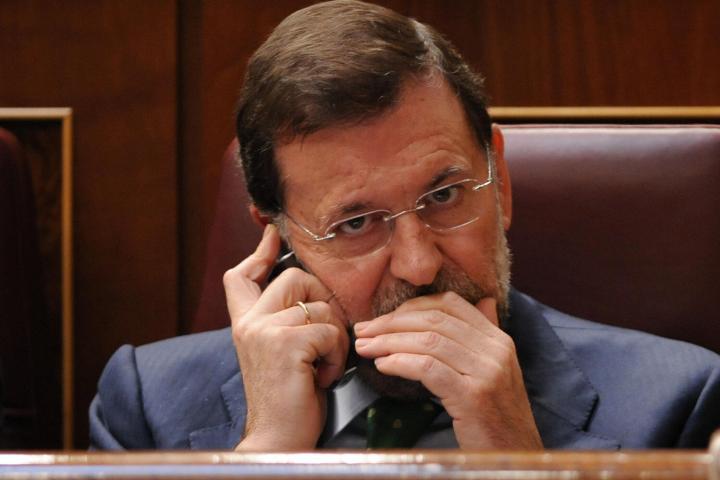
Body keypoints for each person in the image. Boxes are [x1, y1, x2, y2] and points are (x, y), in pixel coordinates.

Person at [90, 0, 720, 450]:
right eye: (356, 224)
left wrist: (516, 458)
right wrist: (268, 452)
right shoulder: (149, 406)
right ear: (279, 235)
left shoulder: (677, 404)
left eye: (444, 195)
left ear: (499, 180)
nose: (419, 266)